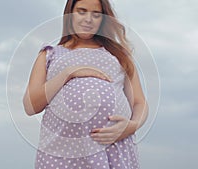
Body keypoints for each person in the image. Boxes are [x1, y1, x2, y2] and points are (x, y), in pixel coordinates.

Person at [23, 0, 148, 168]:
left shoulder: (118, 55)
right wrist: (68, 74)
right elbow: (30, 106)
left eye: (96, 14)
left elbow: (139, 102)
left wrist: (132, 126)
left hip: (113, 150)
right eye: (81, 11)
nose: (88, 19)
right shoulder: (49, 54)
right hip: (62, 153)